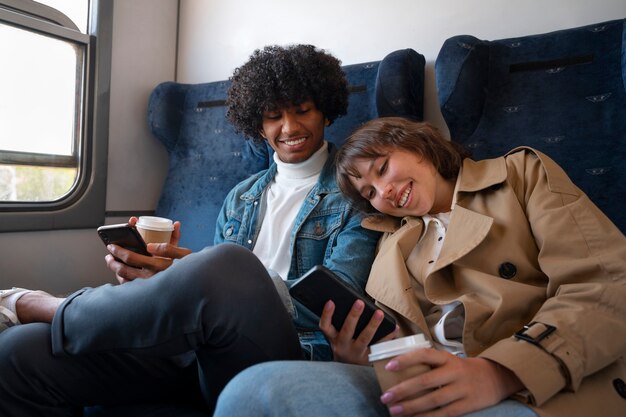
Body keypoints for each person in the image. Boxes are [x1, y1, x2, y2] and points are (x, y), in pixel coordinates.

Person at [0, 44, 381, 416]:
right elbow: (213, 298)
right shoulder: (241, 196)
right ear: (258, 124)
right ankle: (79, 313)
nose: (290, 127)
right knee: (19, 352)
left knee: (229, 264)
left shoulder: (359, 193)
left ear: (327, 113)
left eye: (303, 111)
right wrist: (162, 280)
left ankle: (50, 307)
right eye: (273, 116)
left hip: (288, 353)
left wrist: (209, 276)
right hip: (197, 353)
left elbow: (337, 303)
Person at [213, 117, 626, 417]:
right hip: (422, 380)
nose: (386, 191)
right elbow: (401, 340)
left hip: (532, 379)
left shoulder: (521, 174)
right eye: (370, 192)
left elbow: (605, 284)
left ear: (416, 144)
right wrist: (361, 358)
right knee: (251, 392)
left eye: (383, 167)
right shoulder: (392, 239)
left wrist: (499, 373)